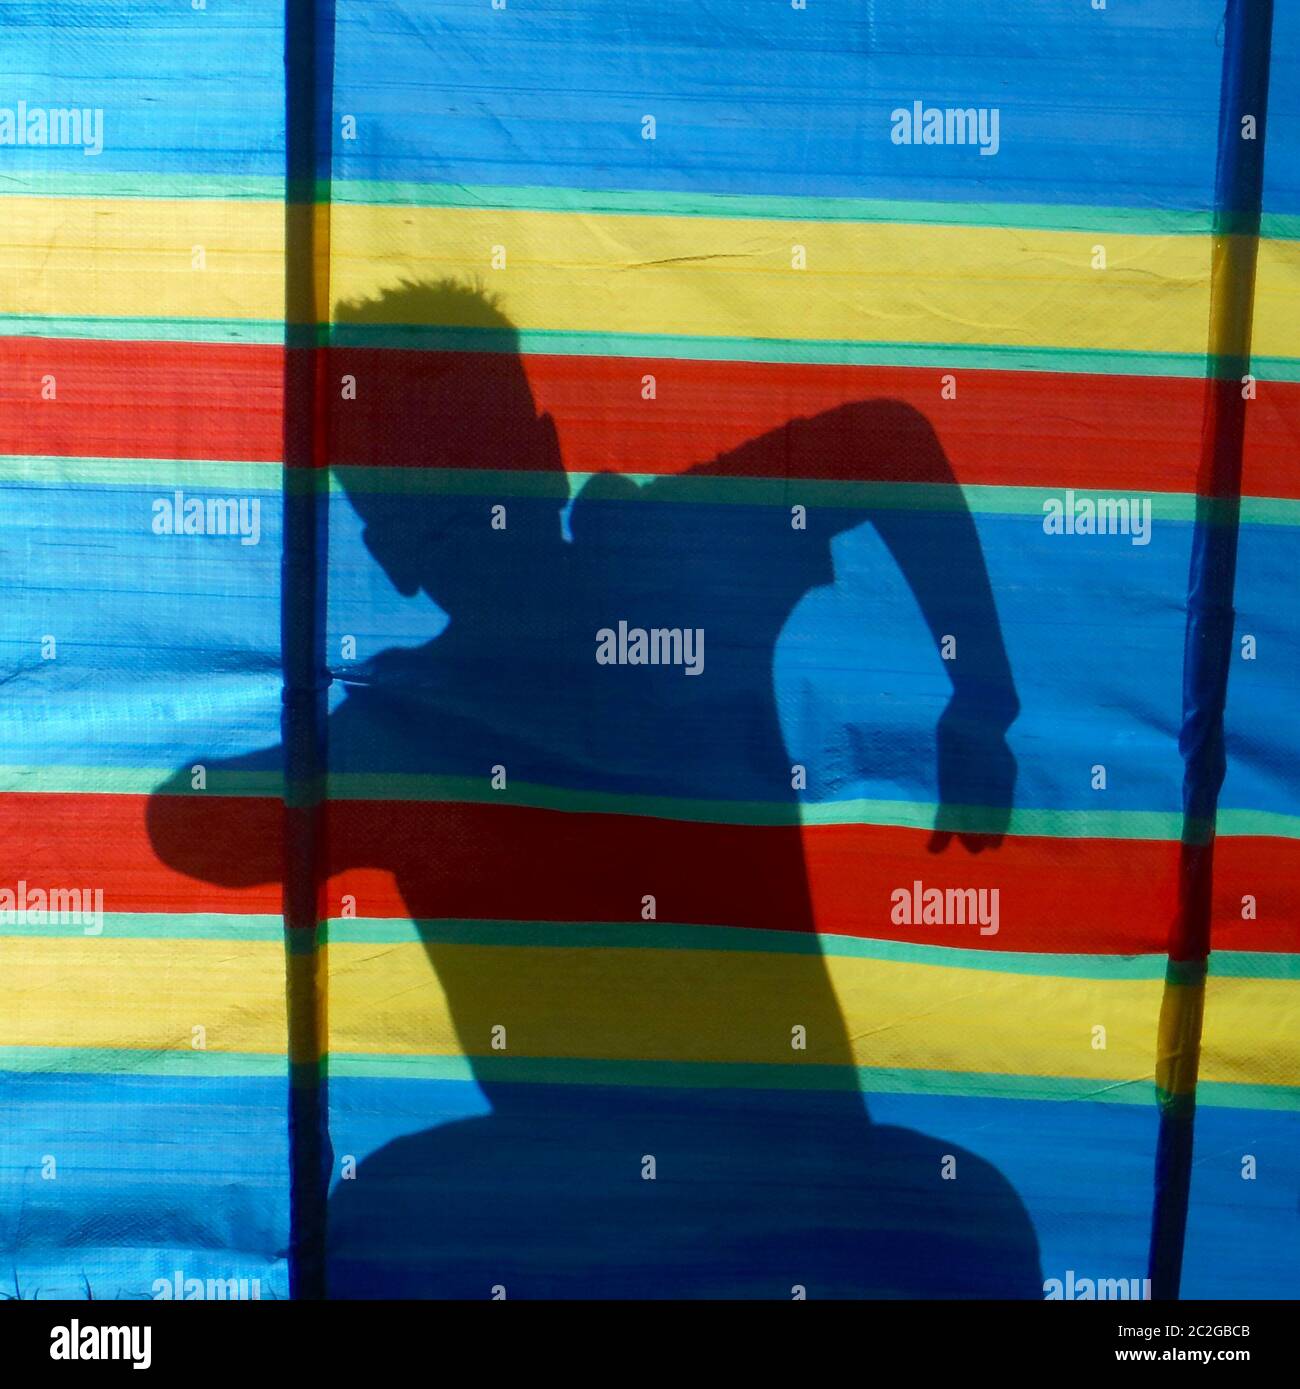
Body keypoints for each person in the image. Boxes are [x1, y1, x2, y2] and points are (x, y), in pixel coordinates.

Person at [150, 279, 1038, 1297]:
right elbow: (187, 828)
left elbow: (886, 439)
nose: (466, 511)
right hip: (603, 1217)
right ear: (389, 547)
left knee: (964, 1215)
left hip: (755, 1189)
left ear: (544, 451)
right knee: (374, 1220)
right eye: (421, 491)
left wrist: (981, 698)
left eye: (469, 462)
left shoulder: (668, 566)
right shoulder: (435, 709)